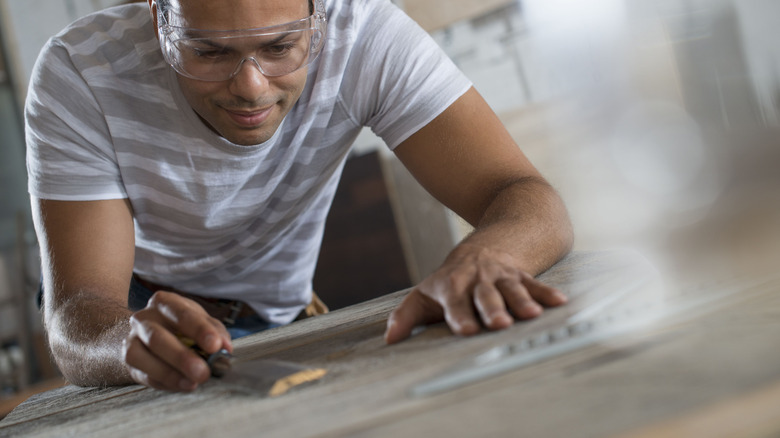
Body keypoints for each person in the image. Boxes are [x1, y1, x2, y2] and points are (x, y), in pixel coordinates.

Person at [26, 0, 573, 392]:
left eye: (280, 46)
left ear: (319, 19)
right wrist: (122, 340)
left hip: (282, 309)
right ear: (158, 17)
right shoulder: (81, 74)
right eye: (208, 52)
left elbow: (525, 197)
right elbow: (76, 313)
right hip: (137, 311)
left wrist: (486, 257)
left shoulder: (363, 32)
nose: (251, 86)